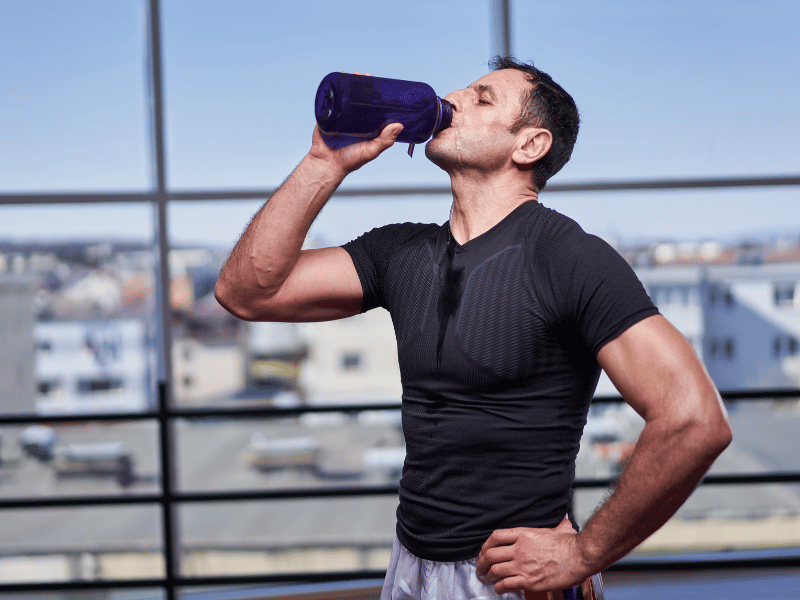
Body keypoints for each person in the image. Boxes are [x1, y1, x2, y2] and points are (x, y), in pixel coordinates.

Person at [215, 57, 733, 599]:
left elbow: (695, 419)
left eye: (483, 98)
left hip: (513, 577)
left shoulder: (569, 257)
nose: (454, 97)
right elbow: (247, 291)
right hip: (412, 563)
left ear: (529, 146)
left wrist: (583, 553)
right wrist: (324, 163)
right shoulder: (400, 251)